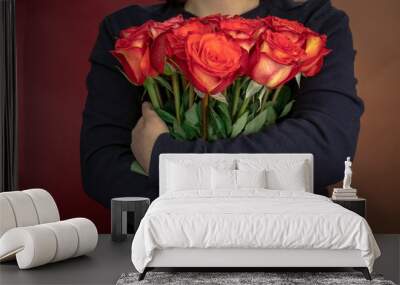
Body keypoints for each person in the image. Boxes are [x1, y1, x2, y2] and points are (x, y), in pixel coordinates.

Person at [80, 0, 363, 208]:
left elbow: (326, 149)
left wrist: (165, 156)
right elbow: (103, 169)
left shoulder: (313, 26)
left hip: (289, 245)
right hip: (167, 248)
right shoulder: (131, 32)